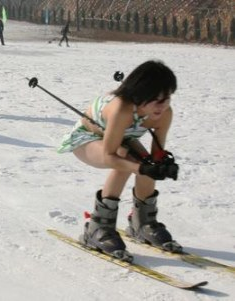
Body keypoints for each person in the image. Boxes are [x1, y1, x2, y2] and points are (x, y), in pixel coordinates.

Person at [58, 60, 180, 262]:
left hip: (121, 138)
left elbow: (157, 152)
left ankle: (143, 223)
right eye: (156, 99)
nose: (164, 105)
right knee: (124, 158)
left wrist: (162, 166)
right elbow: (110, 155)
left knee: (147, 163)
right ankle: (98, 227)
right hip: (87, 137)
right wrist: (141, 168)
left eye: (167, 97)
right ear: (140, 95)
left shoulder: (164, 113)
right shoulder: (122, 109)